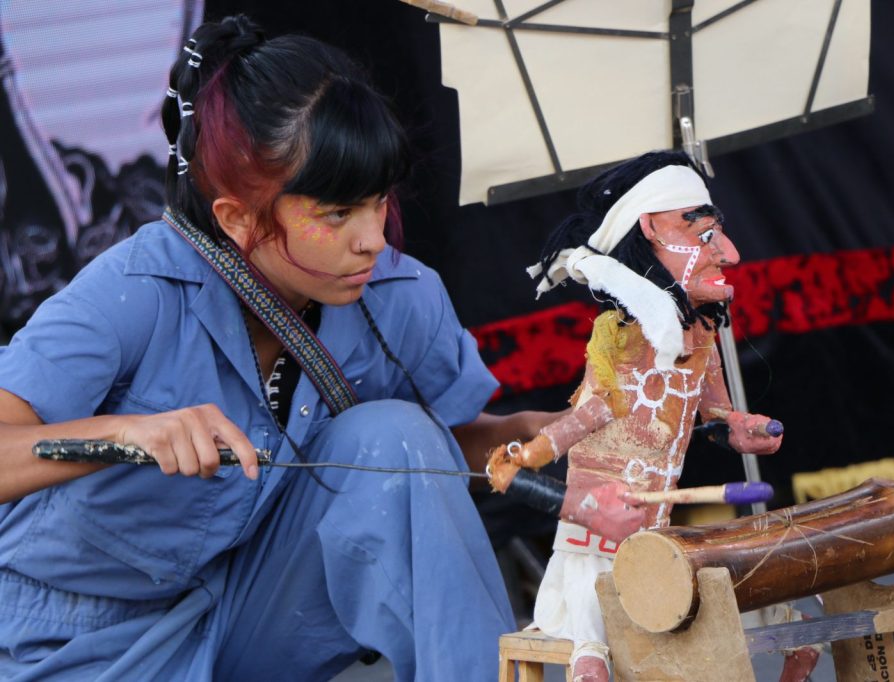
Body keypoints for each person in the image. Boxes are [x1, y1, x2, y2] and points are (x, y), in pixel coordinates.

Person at [0, 15, 546, 680]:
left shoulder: (399, 294)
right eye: (337, 213)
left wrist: (546, 434)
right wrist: (121, 433)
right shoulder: (132, 292)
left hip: (251, 610)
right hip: (83, 637)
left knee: (396, 437)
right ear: (237, 218)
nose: (372, 239)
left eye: (378, 201)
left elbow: (434, 464)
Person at [489, 151, 817, 682]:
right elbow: (592, 412)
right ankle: (589, 657)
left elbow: (715, 412)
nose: (729, 254)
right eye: (705, 236)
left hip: (655, 523)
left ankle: (783, 637)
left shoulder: (703, 333)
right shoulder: (617, 336)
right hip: (599, 521)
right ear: (650, 230)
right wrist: (530, 454)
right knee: (594, 626)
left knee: (722, 607)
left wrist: (738, 427)